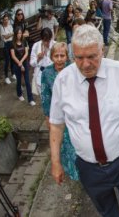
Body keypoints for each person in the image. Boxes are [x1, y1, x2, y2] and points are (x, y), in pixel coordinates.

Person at [49, 24, 119, 216]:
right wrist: (55, 162)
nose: (85, 64)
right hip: (89, 167)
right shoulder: (62, 81)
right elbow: (56, 125)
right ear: (72, 55)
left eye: (92, 57)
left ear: (102, 51)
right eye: (79, 58)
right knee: (107, 210)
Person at [41, 42, 79, 181]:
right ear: (51, 57)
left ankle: (79, 171)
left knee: (75, 143)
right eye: (56, 56)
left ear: (67, 56)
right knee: (63, 145)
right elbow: (45, 97)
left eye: (62, 55)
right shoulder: (47, 73)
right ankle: (69, 169)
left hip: (73, 113)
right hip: (57, 114)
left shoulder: (74, 69)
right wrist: (48, 117)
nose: (59, 59)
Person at [10, 26, 35, 106]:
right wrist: (19, 63)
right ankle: (19, 94)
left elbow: (27, 53)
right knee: (19, 81)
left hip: (24, 63)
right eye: (17, 33)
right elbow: (13, 56)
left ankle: (30, 99)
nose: (19, 35)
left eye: (20, 33)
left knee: (27, 81)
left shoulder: (24, 41)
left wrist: (22, 62)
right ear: (15, 34)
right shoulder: (12, 43)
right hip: (16, 64)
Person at [30, 28, 54, 95]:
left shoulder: (55, 45)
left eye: (48, 40)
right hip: (41, 75)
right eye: (44, 40)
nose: (46, 43)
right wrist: (38, 59)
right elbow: (32, 63)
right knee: (44, 98)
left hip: (53, 74)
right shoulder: (36, 46)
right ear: (42, 38)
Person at [0, 13, 14, 84]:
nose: (6, 21)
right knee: (7, 61)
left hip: (11, 43)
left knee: (12, 59)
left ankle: (13, 74)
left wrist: (9, 35)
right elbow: (5, 37)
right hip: (5, 45)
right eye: (4, 20)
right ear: (2, 20)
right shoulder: (2, 28)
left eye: (7, 19)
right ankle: (6, 77)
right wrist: (10, 34)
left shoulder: (10, 26)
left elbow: (11, 35)